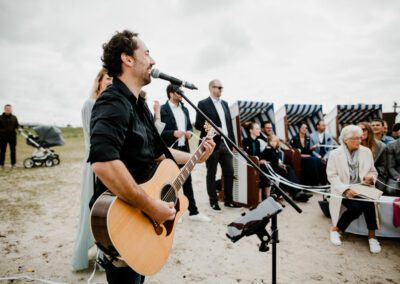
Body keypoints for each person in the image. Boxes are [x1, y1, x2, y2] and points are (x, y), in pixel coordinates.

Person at [88, 30, 215, 283]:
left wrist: (197, 156)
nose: (153, 60)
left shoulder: (139, 105)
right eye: (147, 53)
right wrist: (150, 206)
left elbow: (158, 155)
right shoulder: (111, 102)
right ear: (128, 59)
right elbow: (102, 164)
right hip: (124, 218)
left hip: (143, 218)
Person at [71, 68, 112, 271]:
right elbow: (90, 138)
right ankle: (85, 253)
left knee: (107, 211)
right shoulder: (90, 104)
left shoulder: (113, 105)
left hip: (111, 163)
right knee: (92, 207)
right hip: (94, 162)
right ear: (99, 81)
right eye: (108, 78)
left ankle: (105, 254)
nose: (111, 82)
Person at [160, 84, 211, 222]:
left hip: (185, 148)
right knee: (171, 181)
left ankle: (193, 212)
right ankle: (174, 212)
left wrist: (189, 132)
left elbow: (189, 126)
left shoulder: (186, 110)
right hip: (170, 151)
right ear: (171, 93)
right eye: (178, 92)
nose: (181, 94)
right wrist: (173, 133)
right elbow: (159, 133)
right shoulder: (162, 110)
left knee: (187, 180)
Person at [327, 125, 381, 253]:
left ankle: (372, 237)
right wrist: (345, 190)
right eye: (355, 138)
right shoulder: (335, 154)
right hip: (342, 189)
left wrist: (371, 178)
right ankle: (336, 230)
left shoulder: (366, 151)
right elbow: (332, 176)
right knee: (356, 208)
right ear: (346, 139)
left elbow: (374, 171)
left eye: (360, 138)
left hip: (363, 188)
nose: (359, 141)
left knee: (369, 204)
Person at [195, 79, 239, 211]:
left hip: (226, 143)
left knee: (229, 172)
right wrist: (211, 128)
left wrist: (233, 143)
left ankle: (228, 200)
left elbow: (229, 125)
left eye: (221, 87)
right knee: (211, 173)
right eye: (217, 87)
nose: (220, 89)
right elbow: (198, 124)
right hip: (211, 143)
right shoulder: (203, 104)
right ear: (210, 88)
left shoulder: (225, 104)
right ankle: (213, 201)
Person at [263, 135, 310, 202]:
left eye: (275, 142)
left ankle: (298, 192)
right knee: (288, 170)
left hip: (275, 166)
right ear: (269, 142)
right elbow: (270, 159)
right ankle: (297, 193)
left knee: (289, 168)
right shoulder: (268, 149)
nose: (274, 143)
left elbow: (276, 160)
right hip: (271, 169)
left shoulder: (273, 149)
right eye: (272, 141)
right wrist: (280, 165)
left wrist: (281, 164)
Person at [242, 122, 271, 201]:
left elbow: (258, 155)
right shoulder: (245, 141)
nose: (259, 131)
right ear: (251, 130)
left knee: (265, 168)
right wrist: (258, 161)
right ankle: (263, 199)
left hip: (257, 165)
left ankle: (265, 198)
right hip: (249, 166)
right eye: (257, 129)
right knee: (263, 173)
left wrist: (262, 160)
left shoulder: (257, 142)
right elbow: (246, 156)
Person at [289, 122, 321, 186]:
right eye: (303, 128)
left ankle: (316, 182)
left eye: (306, 128)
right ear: (299, 129)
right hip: (298, 158)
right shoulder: (295, 138)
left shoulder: (308, 138)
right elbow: (292, 150)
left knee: (317, 160)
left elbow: (308, 151)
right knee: (313, 160)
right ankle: (314, 183)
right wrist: (300, 155)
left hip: (307, 157)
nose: (305, 129)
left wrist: (313, 148)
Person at [357, 122, 387, 191]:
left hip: (376, 176)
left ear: (369, 131)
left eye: (363, 129)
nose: (361, 132)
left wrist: (371, 175)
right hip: (357, 176)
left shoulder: (380, 146)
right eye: (358, 130)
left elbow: (383, 167)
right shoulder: (354, 145)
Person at [309, 119, 334, 185]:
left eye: (325, 125)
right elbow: (311, 150)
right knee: (317, 163)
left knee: (329, 162)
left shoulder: (329, 135)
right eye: (323, 125)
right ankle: (320, 183)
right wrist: (319, 157)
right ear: (318, 126)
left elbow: (330, 148)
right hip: (317, 156)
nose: (325, 127)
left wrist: (325, 157)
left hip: (327, 155)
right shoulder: (311, 136)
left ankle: (329, 182)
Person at [0, 104, 19, 169]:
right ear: (4, 109)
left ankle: (13, 164)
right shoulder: (0, 117)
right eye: (7, 109)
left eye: (9, 109)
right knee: (2, 151)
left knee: (13, 151)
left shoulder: (14, 117)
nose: (8, 110)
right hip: (3, 137)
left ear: (11, 110)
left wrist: (19, 129)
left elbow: (17, 126)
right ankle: (1, 164)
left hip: (12, 137)